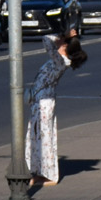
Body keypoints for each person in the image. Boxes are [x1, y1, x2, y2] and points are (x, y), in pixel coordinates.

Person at [26, 26, 88, 185]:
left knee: (45, 137)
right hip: (39, 101)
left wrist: (63, 34)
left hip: (45, 103)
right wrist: (63, 36)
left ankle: (50, 175)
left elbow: (46, 39)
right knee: (36, 137)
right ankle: (38, 172)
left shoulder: (60, 60)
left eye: (61, 42)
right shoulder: (59, 60)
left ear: (65, 47)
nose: (58, 42)